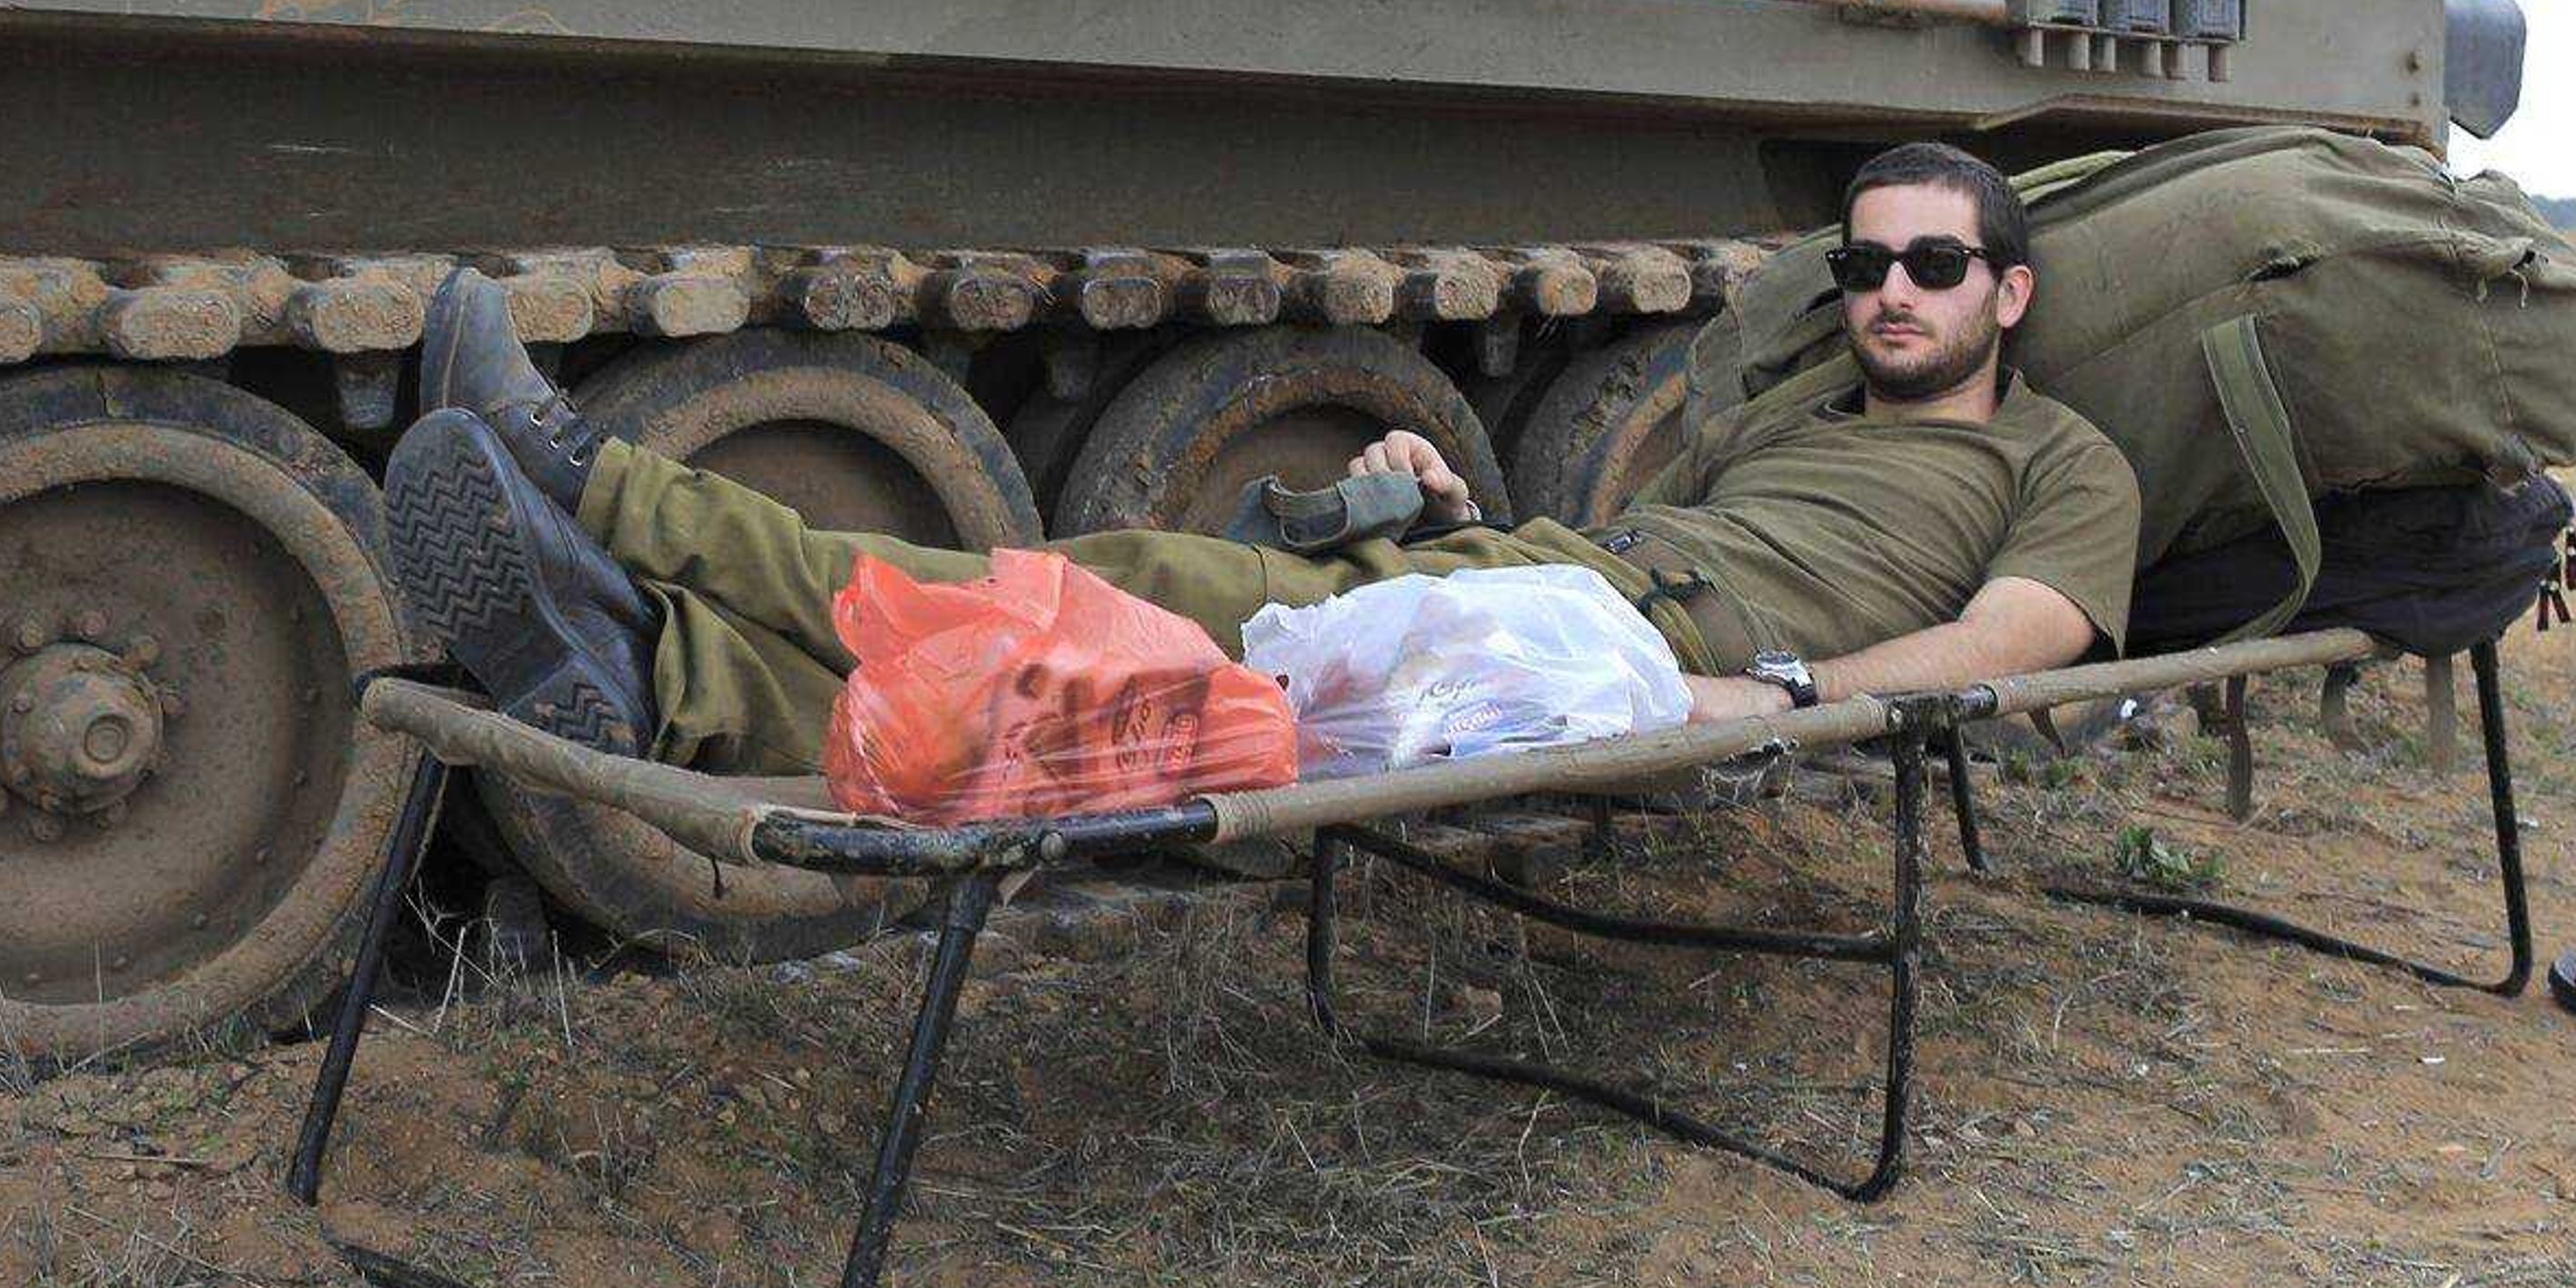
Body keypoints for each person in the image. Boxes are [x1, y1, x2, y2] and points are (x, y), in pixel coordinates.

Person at [382, 141, 2140, 776]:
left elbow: (2018, 645)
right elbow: (1635, 553)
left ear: (2011, 288)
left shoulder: (2060, 463)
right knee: (1131, 703)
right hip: (1549, 605)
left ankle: (606, 490)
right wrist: (1471, 517)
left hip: (1640, 660)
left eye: (1930, 267)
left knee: (1124, 601)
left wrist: (1786, 696)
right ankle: (660, 676)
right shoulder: (1799, 421)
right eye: (1861, 266)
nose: (1888, 295)